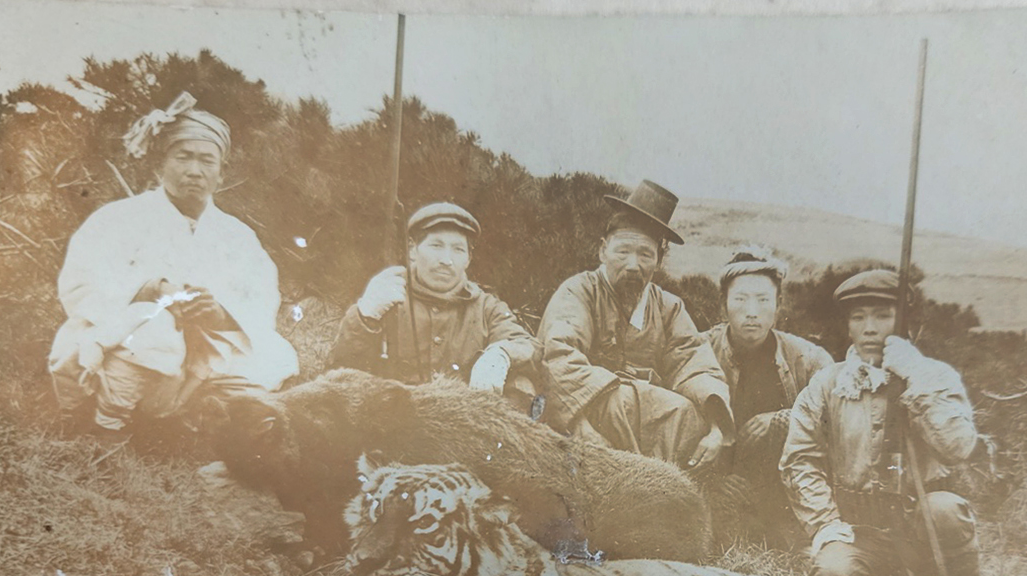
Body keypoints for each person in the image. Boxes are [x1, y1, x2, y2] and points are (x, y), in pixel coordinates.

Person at [48, 92, 298, 436]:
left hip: (205, 359)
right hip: (132, 347)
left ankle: (191, 424)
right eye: (184, 157)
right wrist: (149, 291)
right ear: (160, 164)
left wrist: (221, 313)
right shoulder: (118, 219)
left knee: (272, 361)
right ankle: (112, 424)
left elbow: (262, 299)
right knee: (138, 346)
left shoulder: (237, 236)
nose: (194, 170)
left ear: (221, 174)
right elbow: (79, 286)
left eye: (207, 161)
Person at [780, 268, 994, 576]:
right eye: (858, 317)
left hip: (919, 533)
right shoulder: (827, 384)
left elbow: (959, 446)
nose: (869, 328)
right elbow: (799, 461)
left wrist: (914, 377)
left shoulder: (934, 377)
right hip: (857, 533)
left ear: (904, 323)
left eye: (882, 316)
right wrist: (825, 524)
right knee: (834, 573)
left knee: (947, 510)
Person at [537, 180, 732, 472]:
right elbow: (558, 357)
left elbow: (695, 364)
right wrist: (580, 426)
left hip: (652, 432)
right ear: (603, 251)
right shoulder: (578, 292)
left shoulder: (669, 307)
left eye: (645, 254)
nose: (632, 265)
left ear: (659, 259)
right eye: (622, 252)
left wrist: (717, 428)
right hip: (584, 424)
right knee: (625, 403)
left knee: (687, 414)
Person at [329, 202, 539, 399]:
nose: (446, 260)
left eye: (458, 249)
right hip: (390, 424)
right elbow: (339, 371)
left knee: (521, 383)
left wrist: (501, 354)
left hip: (460, 425)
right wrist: (366, 315)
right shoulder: (387, 293)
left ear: (468, 259)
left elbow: (529, 346)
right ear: (413, 249)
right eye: (436, 246)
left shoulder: (486, 307)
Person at [699, 247, 833, 545]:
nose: (752, 312)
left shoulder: (809, 359)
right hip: (717, 480)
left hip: (783, 487)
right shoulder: (698, 350)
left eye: (763, 300)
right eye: (741, 299)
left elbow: (836, 419)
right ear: (723, 305)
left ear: (779, 304)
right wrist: (714, 481)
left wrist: (781, 419)